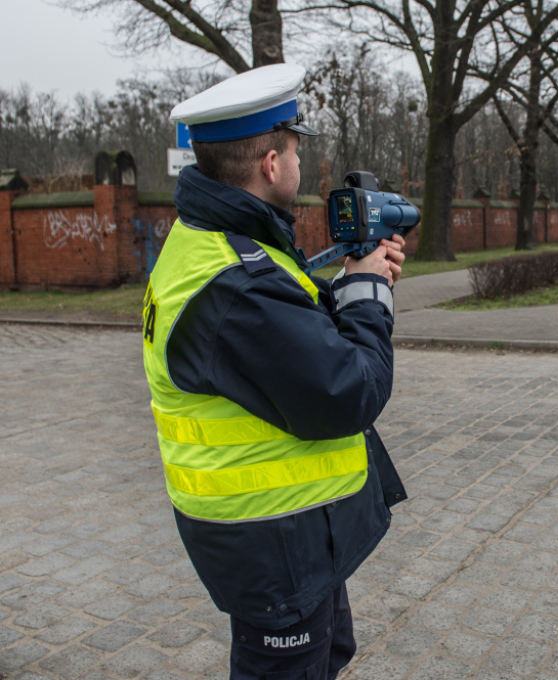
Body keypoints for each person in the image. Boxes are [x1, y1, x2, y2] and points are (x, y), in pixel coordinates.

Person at [141, 63, 407, 679]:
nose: (297, 163)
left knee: (328, 655)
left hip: (290, 534)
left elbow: (289, 340)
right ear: (269, 163)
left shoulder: (213, 238)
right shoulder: (237, 280)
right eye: (293, 148)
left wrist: (348, 282)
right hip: (274, 545)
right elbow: (349, 391)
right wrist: (369, 291)